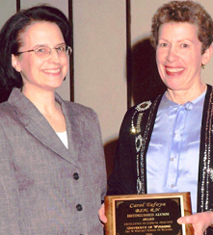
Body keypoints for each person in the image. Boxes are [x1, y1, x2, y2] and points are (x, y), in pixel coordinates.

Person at [99, 1, 213, 234]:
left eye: (184, 45)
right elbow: (121, 186)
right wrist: (109, 209)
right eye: (164, 44)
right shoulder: (136, 118)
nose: (172, 57)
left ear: (206, 53)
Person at [0, 5, 107, 234]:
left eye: (60, 48)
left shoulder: (87, 118)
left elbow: (100, 199)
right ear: (15, 61)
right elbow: (5, 216)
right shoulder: (4, 123)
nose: (55, 58)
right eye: (41, 50)